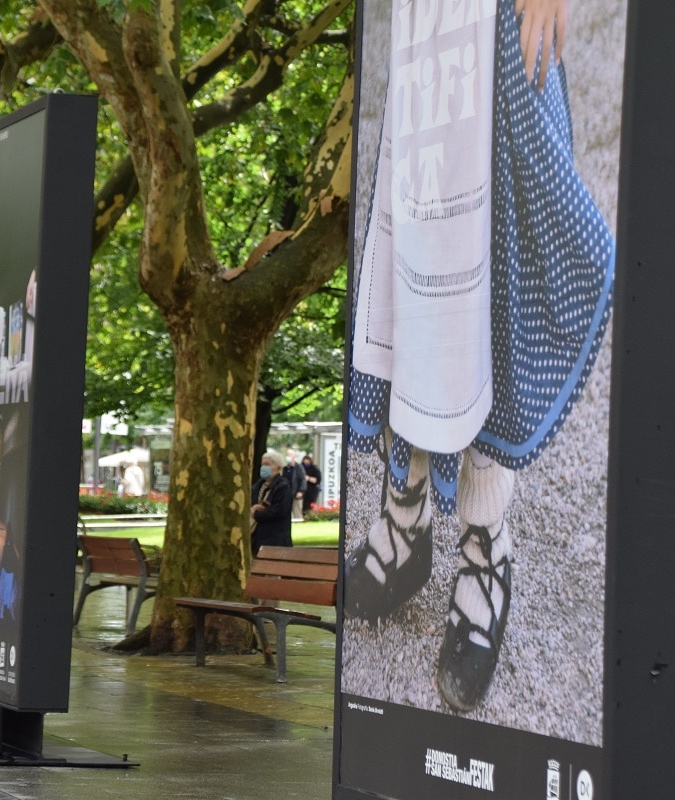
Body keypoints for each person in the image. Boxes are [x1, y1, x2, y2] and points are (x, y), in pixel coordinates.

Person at [344, 0, 615, 710]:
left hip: (496, 17)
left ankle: (486, 546)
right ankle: (406, 520)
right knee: (416, 242)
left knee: (501, 266)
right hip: (420, 29)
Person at [251, 451, 294, 556]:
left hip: (275, 540)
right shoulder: (257, 486)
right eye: (262, 464)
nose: (263, 467)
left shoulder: (283, 487)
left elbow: (278, 511)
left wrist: (255, 514)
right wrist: (253, 509)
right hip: (256, 539)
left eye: (267, 465)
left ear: (278, 468)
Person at [283, 449, 307, 522]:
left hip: (296, 494)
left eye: (289, 455)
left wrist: (301, 491)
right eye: (287, 455)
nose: (287, 457)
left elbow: (303, 480)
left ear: (293, 457)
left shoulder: (298, 467)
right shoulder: (285, 468)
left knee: (297, 512)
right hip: (287, 494)